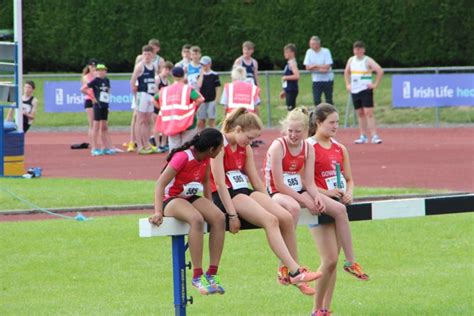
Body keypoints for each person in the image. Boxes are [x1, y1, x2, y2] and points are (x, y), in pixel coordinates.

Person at [210, 107, 322, 296]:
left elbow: (255, 179)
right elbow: (220, 185)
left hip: (243, 191)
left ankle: (294, 275)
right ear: (238, 130)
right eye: (250, 138)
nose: (251, 142)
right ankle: (295, 270)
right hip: (226, 196)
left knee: (285, 217)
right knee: (270, 221)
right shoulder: (220, 146)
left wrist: (268, 201)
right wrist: (232, 214)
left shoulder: (245, 148)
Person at [149, 128, 226, 295]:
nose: (222, 150)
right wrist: (158, 212)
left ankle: (212, 274)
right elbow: (160, 184)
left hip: (189, 197)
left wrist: (210, 207)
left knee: (219, 218)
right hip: (171, 199)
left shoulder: (206, 158)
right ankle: (197, 276)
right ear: (211, 149)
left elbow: (206, 183)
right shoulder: (183, 157)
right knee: (196, 219)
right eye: (220, 147)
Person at [307, 103, 367, 315]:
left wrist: (349, 192)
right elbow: (303, 182)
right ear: (318, 123)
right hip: (319, 206)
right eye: (331, 122)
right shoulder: (308, 147)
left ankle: (325, 309)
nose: (335, 126)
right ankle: (316, 310)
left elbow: (349, 179)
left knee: (332, 263)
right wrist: (325, 192)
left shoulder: (340, 148)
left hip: (338, 205)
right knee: (330, 259)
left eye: (337, 123)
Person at [155, 66, 204, 151]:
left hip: (172, 122)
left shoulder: (165, 90)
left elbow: (154, 99)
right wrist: (193, 110)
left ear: (173, 76)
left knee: (174, 148)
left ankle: (174, 163)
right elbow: (200, 99)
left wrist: (162, 109)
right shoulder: (188, 89)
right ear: (184, 75)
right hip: (188, 122)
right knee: (187, 148)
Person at [344, 40, 384, 144]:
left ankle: (374, 135)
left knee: (368, 112)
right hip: (355, 90)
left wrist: (375, 84)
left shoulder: (367, 60)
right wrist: (348, 84)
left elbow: (379, 71)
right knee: (360, 113)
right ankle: (363, 136)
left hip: (365, 89)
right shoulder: (351, 60)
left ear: (363, 50)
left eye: (359, 49)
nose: (357, 51)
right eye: (355, 49)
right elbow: (346, 72)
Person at [81, 64, 114, 156]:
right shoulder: (95, 81)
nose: (101, 72)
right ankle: (94, 148)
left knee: (104, 127)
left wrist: (108, 104)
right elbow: (83, 89)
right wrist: (92, 97)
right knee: (96, 126)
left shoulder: (107, 80)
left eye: (103, 70)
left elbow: (108, 91)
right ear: (97, 71)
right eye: (99, 70)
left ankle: (105, 147)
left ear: (105, 71)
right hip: (97, 105)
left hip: (105, 105)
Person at [130, 45, 157, 154]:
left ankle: (146, 144)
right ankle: (140, 145)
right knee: (140, 120)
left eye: (148, 54)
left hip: (150, 95)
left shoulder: (153, 66)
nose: (146, 56)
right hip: (142, 95)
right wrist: (136, 96)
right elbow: (132, 82)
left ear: (152, 55)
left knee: (147, 120)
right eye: (145, 54)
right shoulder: (140, 67)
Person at [303, 36, 334, 106]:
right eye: (310, 44)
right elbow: (307, 67)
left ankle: (330, 115)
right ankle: (319, 115)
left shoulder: (326, 51)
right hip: (316, 80)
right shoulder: (309, 52)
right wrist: (319, 68)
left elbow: (327, 66)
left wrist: (315, 66)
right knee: (316, 100)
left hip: (327, 80)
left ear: (318, 44)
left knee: (329, 100)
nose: (311, 46)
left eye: (313, 44)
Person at [151, 61, 173, 153]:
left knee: (165, 126)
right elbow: (155, 93)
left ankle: (163, 144)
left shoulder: (168, 81)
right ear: (161, 69)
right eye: (165, 69)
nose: (167, 71)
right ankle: (158, 145)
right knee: (157, 126)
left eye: (169, 70)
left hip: (164, 106)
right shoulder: (157, 79)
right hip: (156, 105)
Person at [196, 56, 221, 129]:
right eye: (202, 65)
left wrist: (216, 99)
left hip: (211, 99)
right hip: (202, 100)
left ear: (209, 64)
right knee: (201, 119)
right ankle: (201, 135)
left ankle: (212, 132)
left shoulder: (214, 75)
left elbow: (218, 88)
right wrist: (201, 74)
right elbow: (199, 85)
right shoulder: (199, 75)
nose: (203, 66)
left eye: (205, 65)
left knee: (211, 119)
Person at [279, 43, 300, 111]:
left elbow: (297, 76)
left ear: (292, 53)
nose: (285, 54)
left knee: (291, 109)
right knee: (289, 109)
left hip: (292, 89)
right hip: (288, 89)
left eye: (287, 52)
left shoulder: (292, 63)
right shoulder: (288, 63)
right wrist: (284, 90)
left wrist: (285, 77)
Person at [81, 59, 97, 142]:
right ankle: (92, 142)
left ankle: (97, 141)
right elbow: (90, 85)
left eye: (94, 66)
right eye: (91, 66)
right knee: (92, 123)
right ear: (89, 66)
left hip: (98, 100)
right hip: (89, 100)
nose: (93, 68)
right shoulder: (86, 77)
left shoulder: (98, 75)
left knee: (98, 123)